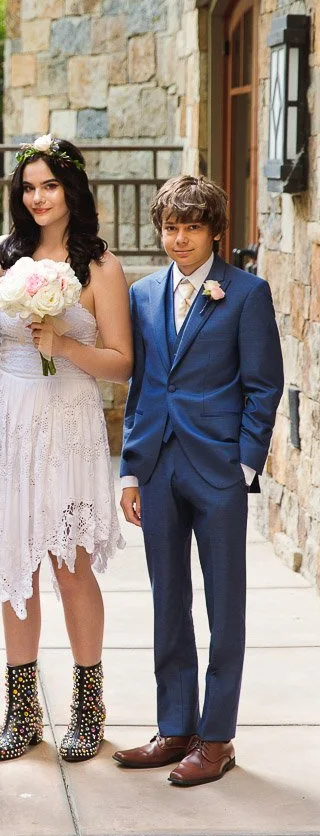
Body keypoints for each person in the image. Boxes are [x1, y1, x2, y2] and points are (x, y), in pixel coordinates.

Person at [0, 136, 131, 764]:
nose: (38, 198)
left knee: (71, 566)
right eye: (29, 187)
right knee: (15, 564)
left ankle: (88, 706)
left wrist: (63, 346)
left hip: (68, 422)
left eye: (50, 185)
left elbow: (121, 364)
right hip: (10, 419)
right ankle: (21, 710)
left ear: (72, 190)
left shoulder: (102, 267)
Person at [114, 175, 283, 786]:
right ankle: (175, 726)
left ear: (214, 232)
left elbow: (264, 385)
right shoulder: (142, 294)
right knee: (168, 601)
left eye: (191, 228)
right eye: (170, 228)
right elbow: (140, 387)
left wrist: (243, 464)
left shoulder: (246, 294)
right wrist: (131, 469)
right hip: (158, 464)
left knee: (224, 604)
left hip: (217, 470)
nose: (179, 239)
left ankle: (217, 737)